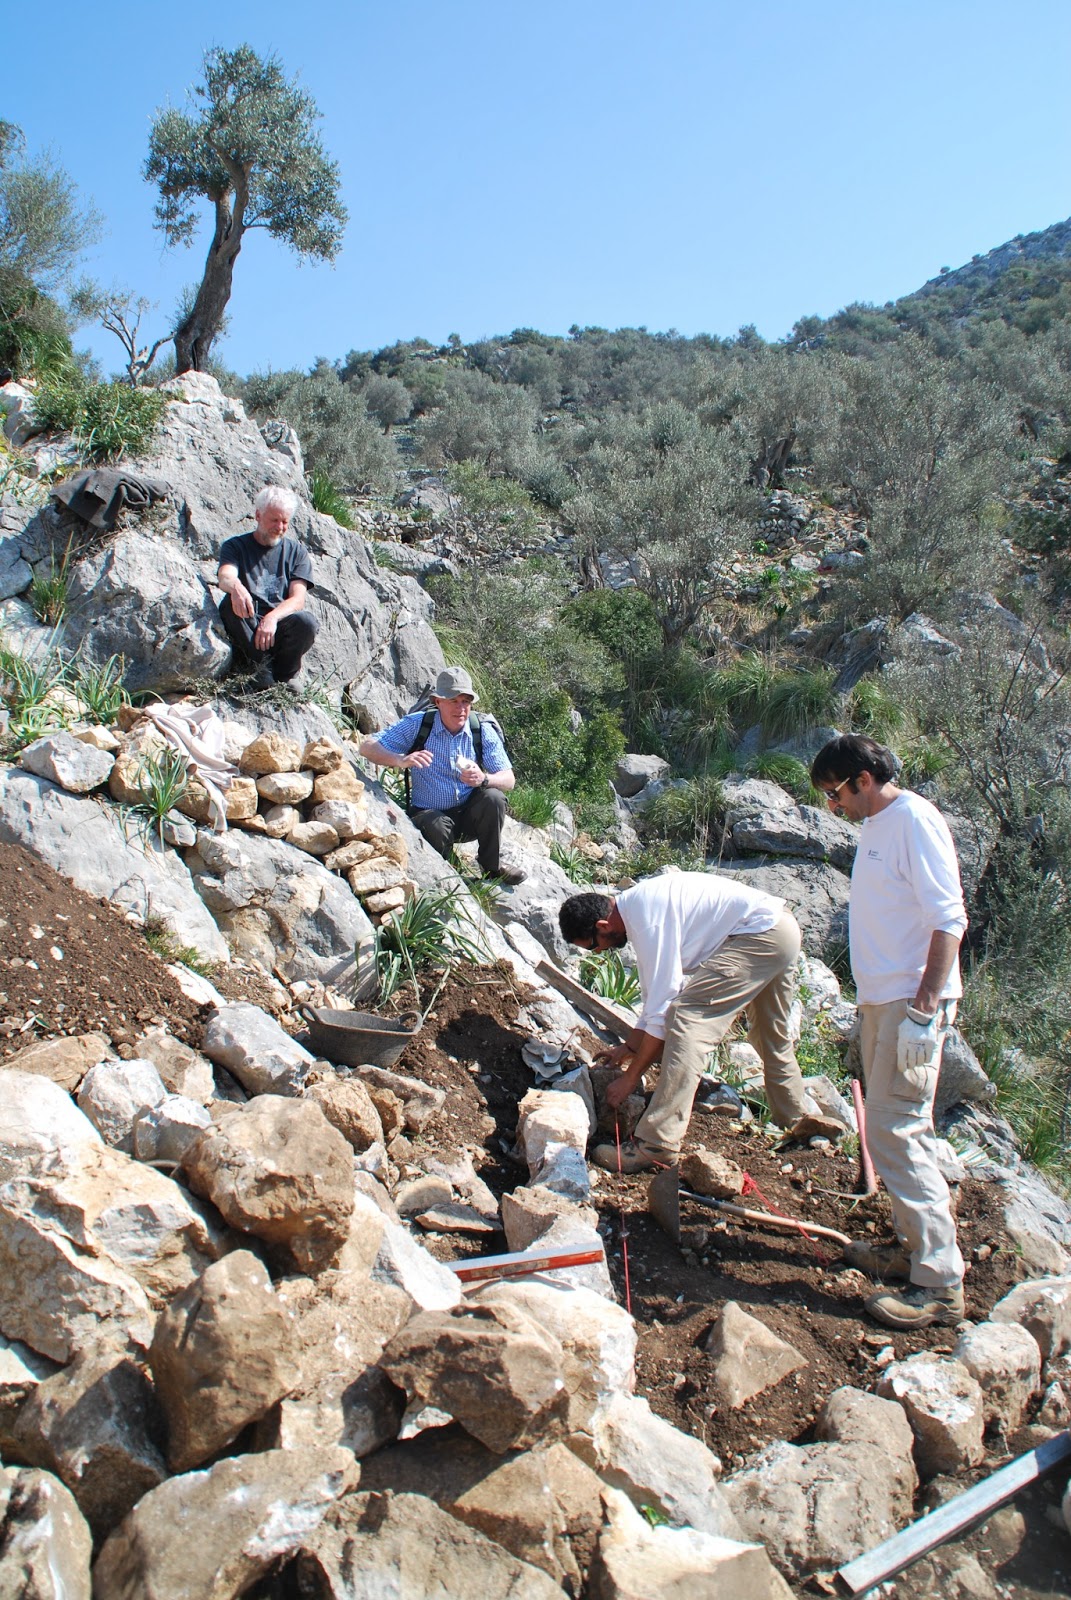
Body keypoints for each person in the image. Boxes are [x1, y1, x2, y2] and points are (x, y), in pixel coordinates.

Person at [810, 733, 968, 1330]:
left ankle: (940, 1284)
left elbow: (948, 918)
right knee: (884, 1126)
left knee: (899, 1130)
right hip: (884, 1000)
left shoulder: (914, 821)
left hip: (910, 1001)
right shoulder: (877, 826)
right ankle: (911, 1248)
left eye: (835, 794)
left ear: (862, 779)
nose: (834, 807)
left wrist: (925, 1011)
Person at [558, 872, 843, 1172]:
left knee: (688, 1017)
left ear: (603, 926)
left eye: (593, 946)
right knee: (770, 1036)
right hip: (780, 928)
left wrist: (631, 1079)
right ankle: (797, 1122)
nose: (599, 952)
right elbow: (654, 999)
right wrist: (628, 1048)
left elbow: (665, 1008)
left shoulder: (647, 921)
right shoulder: (641, 906)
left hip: (758, 935)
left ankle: (657, 1142)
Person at [359, 667, 526, 885]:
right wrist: (400, 760)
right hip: (429, 816)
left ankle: (491, 868)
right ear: (438, 702)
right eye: (453, 701)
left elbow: (508, 779)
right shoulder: (419, 724)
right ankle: (449, 876)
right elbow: (367, 747)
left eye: (465, 701)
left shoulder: (480, 729)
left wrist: (484, 779)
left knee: (493, 798)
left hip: (467, 816)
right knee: (436, 824)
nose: (461, 708)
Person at [216, 485, 319, 686]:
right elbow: (225, 576)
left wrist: (272, 618)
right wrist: (236, 588)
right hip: (249, 624)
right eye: (274, 520)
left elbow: (297, 599)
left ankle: (284, 676)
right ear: (258, 515)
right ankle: (260, 669)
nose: (280, 527)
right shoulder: (235, 546)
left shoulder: (296, 552)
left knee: (307, 622)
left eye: (285, 522)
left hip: (278, 627)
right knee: (230, 604)